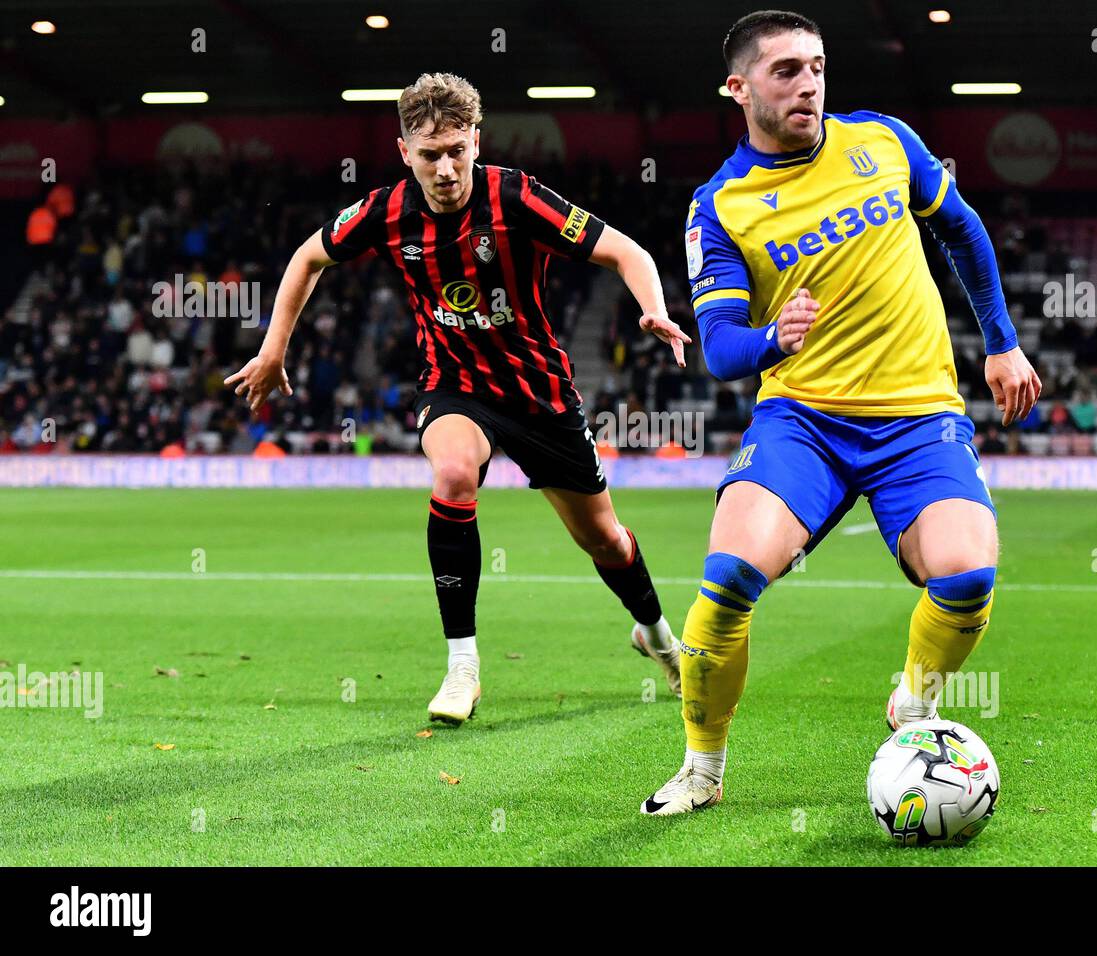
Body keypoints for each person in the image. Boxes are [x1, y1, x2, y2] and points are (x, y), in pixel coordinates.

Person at [641, 10, 1041, 814]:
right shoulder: (721, 204)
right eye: (786, 70)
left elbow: (962, 232)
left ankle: (915, 704)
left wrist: (1001, 342)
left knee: (968, 573)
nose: (809, 84)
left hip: (918, 417)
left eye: (817, 67)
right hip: (803, 422)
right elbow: (717, 347)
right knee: (725, 582)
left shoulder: (885, 142)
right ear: (739, 86)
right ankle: (702, 770)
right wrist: (770, 342)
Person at [225, 72, 692, 725]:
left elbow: (627, 251)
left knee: (606, 541)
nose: (445, 169)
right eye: (429, 154)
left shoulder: (518, 197)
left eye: (456, 151)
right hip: (455, 384)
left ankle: (658, 637)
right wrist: (273, 349)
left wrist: (652, 309)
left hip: (539, 393)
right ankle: (462, 666)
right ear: (403, 151)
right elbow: (308, 257)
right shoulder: (386, 212)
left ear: (477, 140)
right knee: (450, 474)